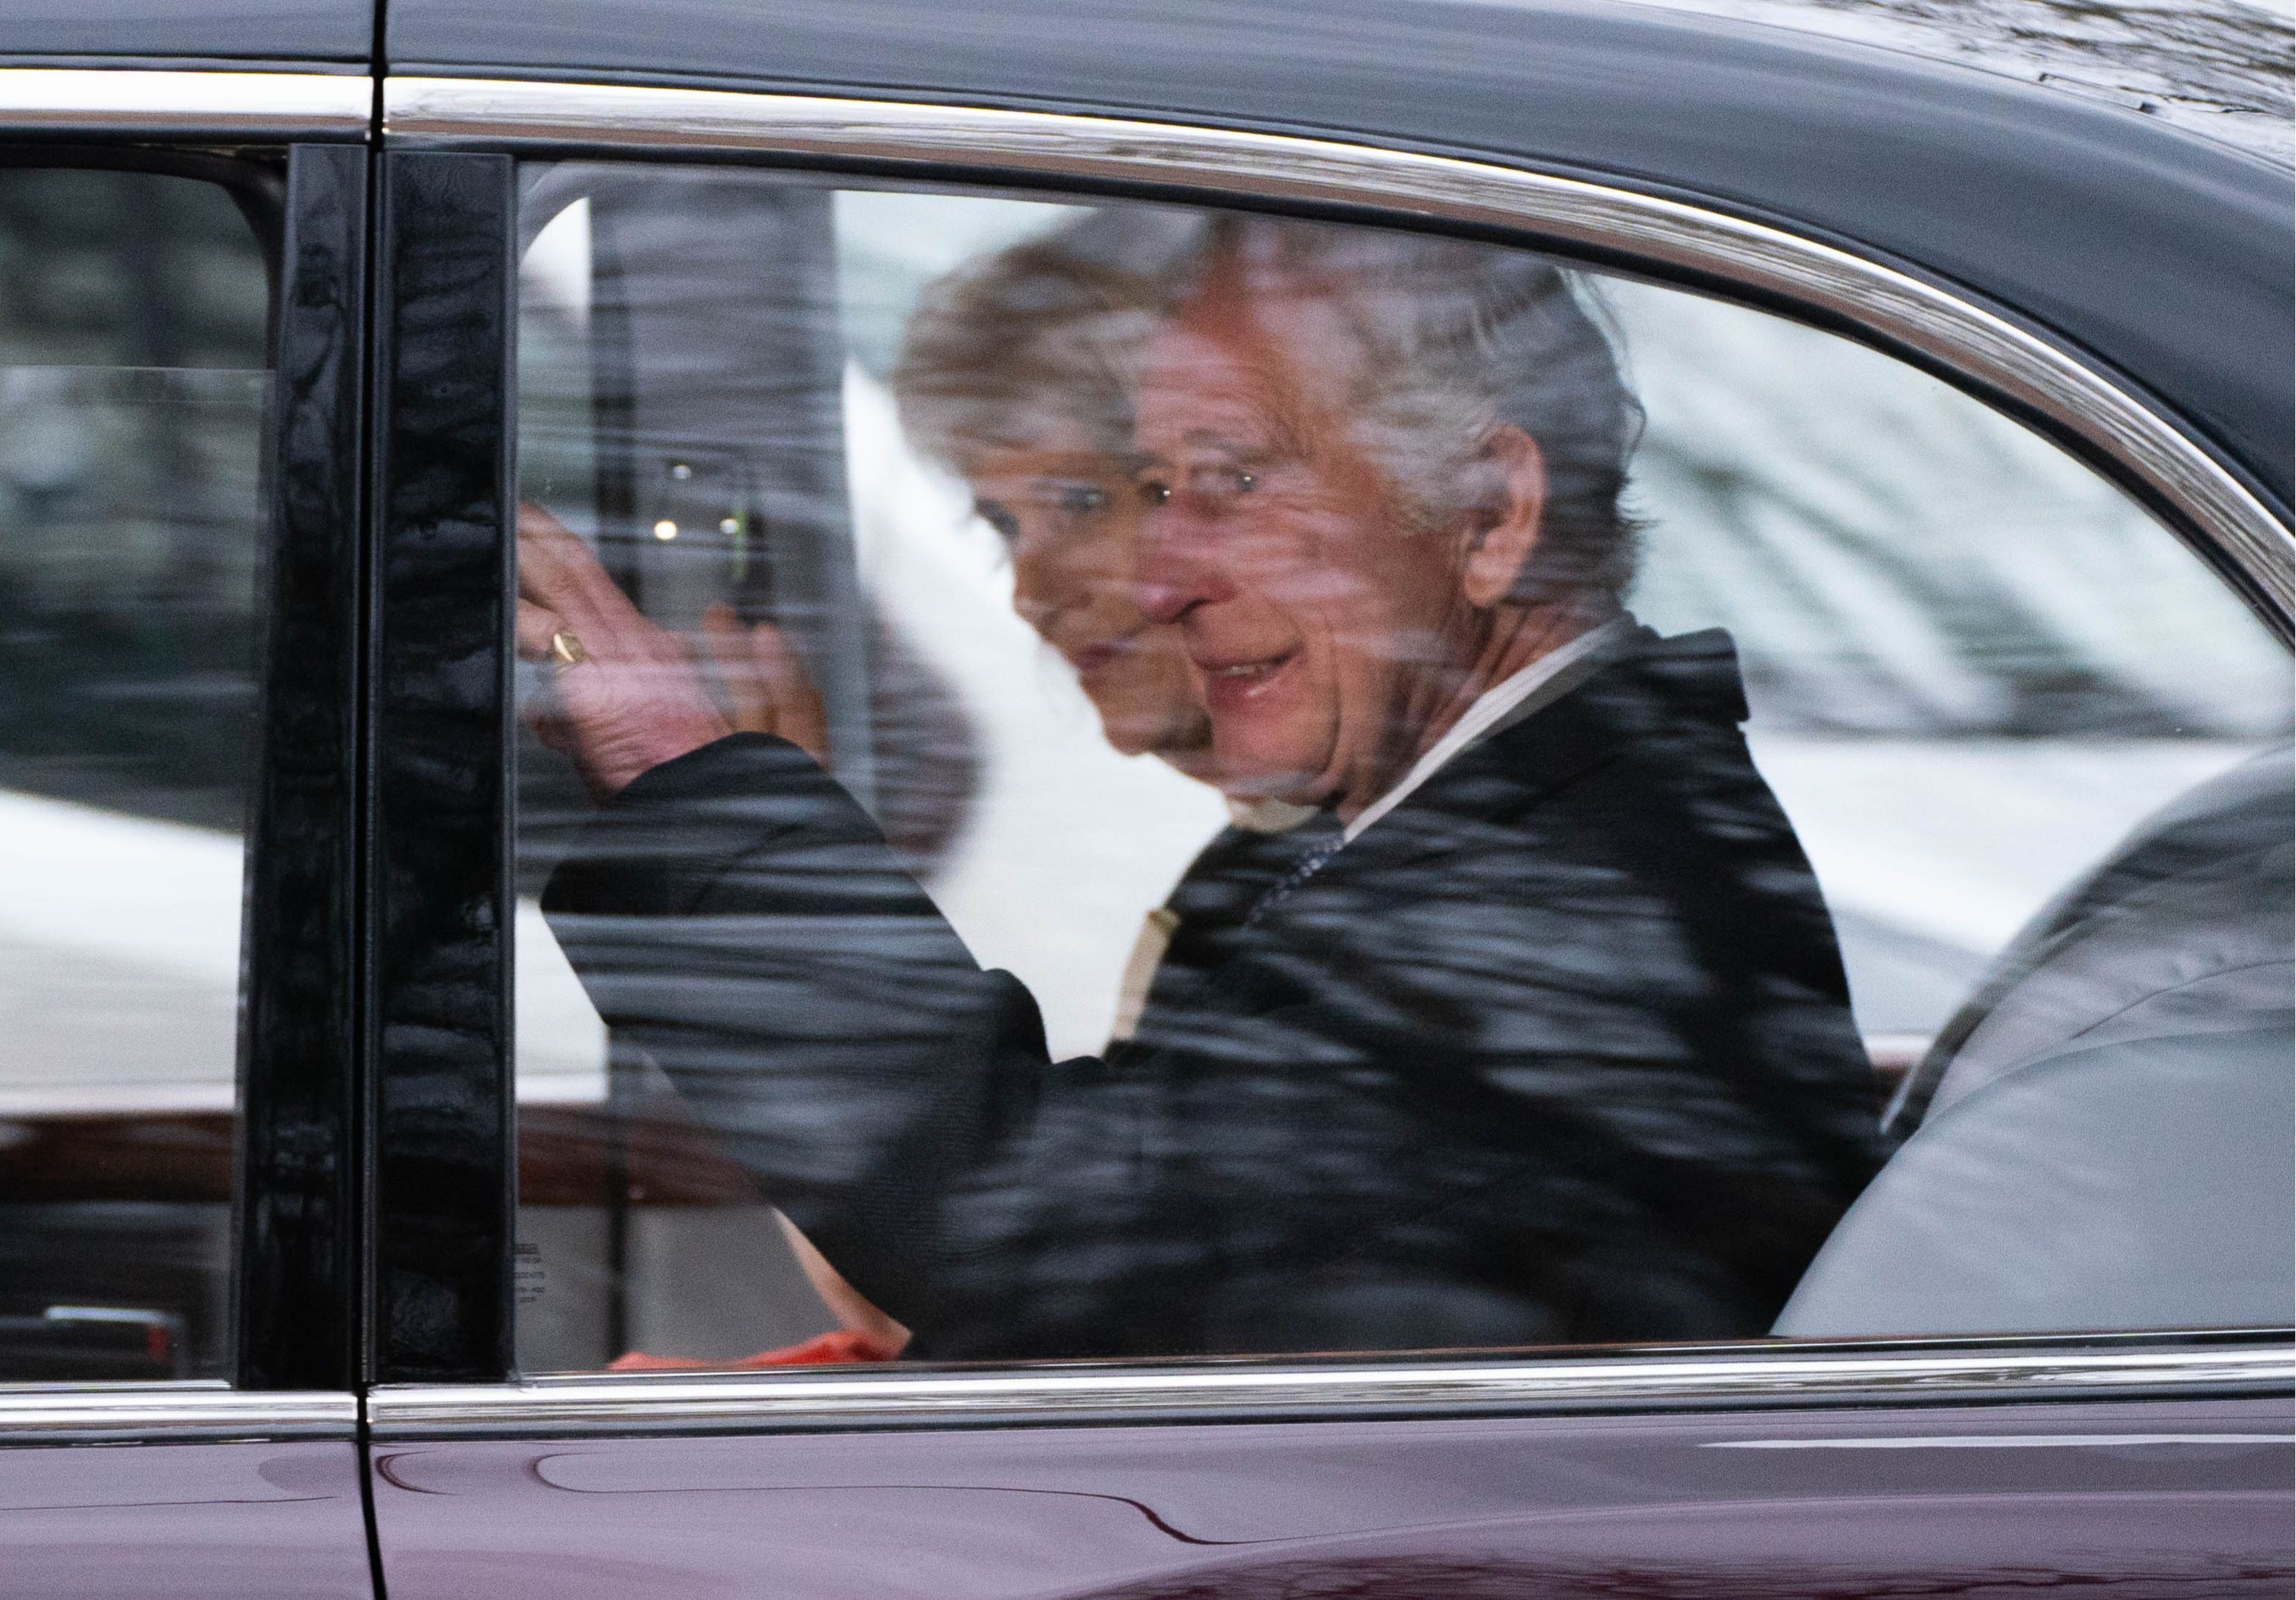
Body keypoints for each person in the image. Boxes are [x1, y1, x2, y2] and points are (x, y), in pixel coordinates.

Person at [517, 214, 1886, 1362]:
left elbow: (1048, 1233)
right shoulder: (1486, 838)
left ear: (1490, 513)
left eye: (1231, 483)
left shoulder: (1564, 901)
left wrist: (687, 783)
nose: (1157, 579)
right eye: (1156, 488)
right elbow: (1173, 1309)